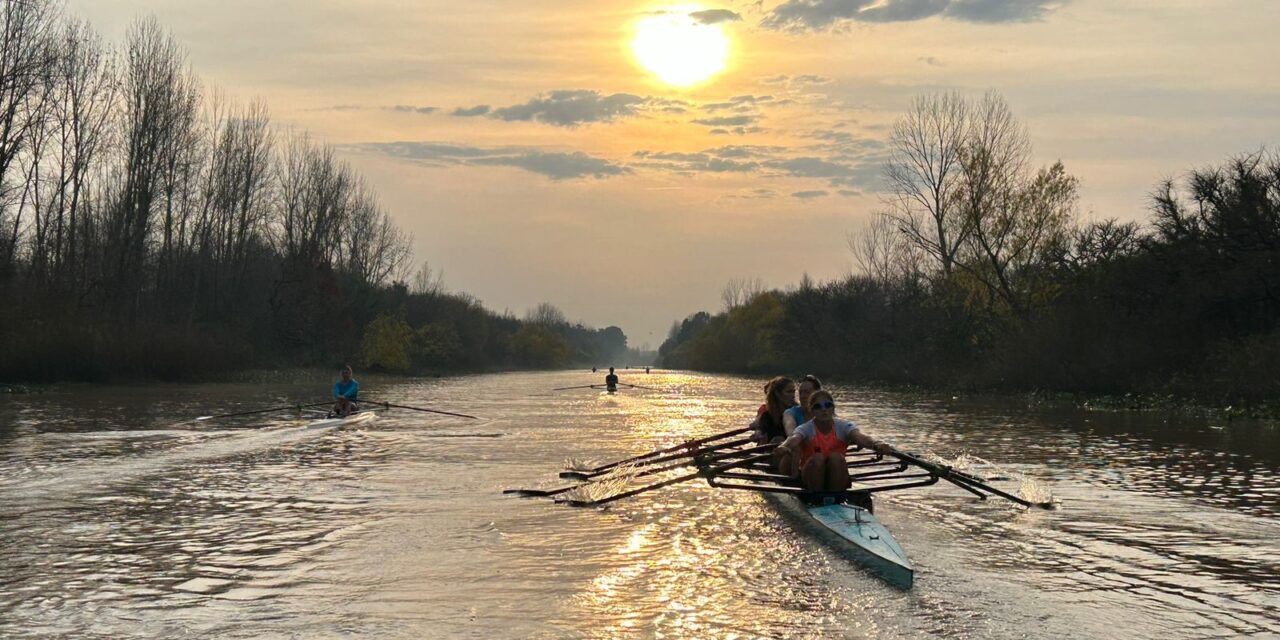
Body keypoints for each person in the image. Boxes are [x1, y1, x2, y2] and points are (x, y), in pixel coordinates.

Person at [774, 390, 892, 492]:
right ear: (812, 411)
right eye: (818, 406)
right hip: (811, 477)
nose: (823, 409)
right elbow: (794, 438)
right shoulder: (806, 428)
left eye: (827, 405)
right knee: (818, 458)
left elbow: (860, 437)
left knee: (836, 458)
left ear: (833, 408)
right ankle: (817, 497)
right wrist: (785, 446)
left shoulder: (843, 426)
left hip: (836, 476)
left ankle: (834, 497)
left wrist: (877, 444)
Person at [750, 376, 797, 446]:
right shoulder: (767, 415)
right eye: (789, 392)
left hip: (795, 449)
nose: (793, 395)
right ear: (777, 394)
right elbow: (760, 429)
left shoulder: (799, 411)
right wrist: (757, 435)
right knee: (777, 440)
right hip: (774, 451)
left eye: (793, 391)